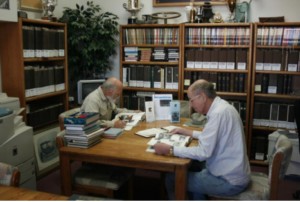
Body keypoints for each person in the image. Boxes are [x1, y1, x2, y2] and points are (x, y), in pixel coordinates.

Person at [153, 79, 250, 200]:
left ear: (203, 97)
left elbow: (203, 152)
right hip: (232, 173)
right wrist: (188, 132)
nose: (190, 105)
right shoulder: (222, 107)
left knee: (171, 179)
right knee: (192, 167)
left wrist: (170, 149)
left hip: (228, 181)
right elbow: (212, 136)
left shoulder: (218, 114)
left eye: (191, 100)